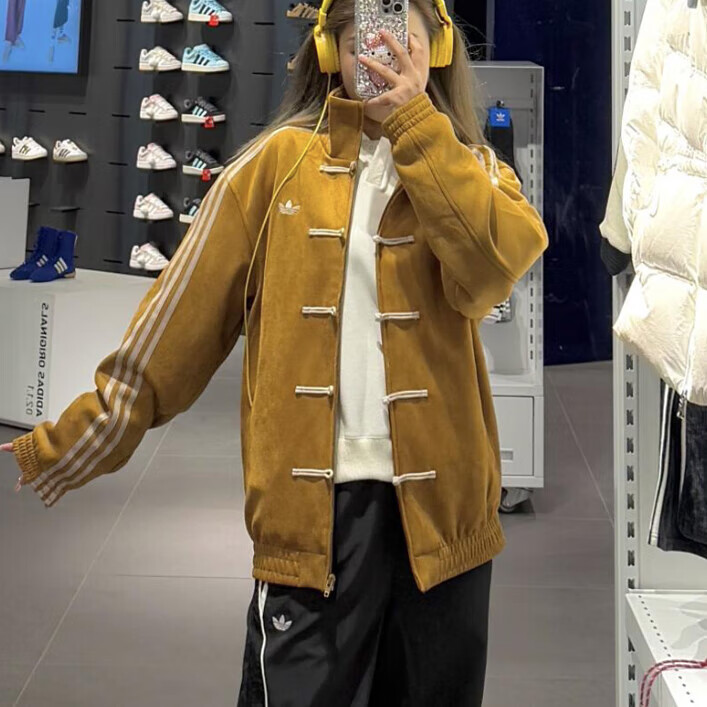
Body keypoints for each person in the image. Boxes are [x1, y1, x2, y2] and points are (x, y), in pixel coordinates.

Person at [2, 1, 548, 704]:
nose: (382, 56)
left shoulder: (471, 167)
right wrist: (77, 438)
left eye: (401, 39)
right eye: (364, 39)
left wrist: (417, 126)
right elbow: (177, 324)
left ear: (436, 51)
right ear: (329, 51)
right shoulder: (273, 168)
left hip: (447, 523)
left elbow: (491, 274)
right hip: (313, 522)